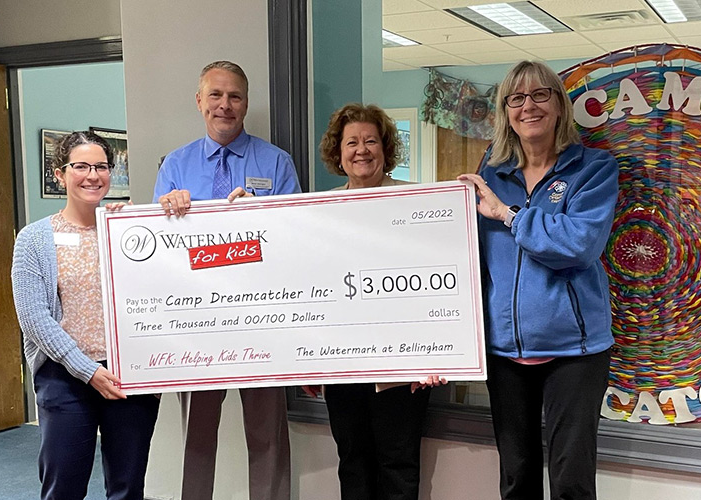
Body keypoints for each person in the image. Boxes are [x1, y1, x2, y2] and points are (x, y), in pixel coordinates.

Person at [458, 61, 619, 500]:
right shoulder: (492, 172)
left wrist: (509, 216)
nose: (528, 106)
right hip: (506, 350)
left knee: (570, 480)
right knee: (516, 478)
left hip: (574, 351)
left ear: (559, 105)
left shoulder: (594, 169)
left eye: (540, 95)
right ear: (506, 111)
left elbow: (580, 244)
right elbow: (470, 253)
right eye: (516, 98)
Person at [153, 60, 301, 500]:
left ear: (246, 103)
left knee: (268, 438)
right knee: (195, 439)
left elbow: (298, 241)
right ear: (200, 102)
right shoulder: (175, 167)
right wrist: (169, 211)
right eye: (215, 95)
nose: (225, 105)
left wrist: (260, 215)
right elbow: (158, 253)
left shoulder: (276, 163)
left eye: (234, 96)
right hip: (197, 326)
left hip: (262, 321)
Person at [11, 131, 159, 500]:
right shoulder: (33, 240)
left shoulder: (128, 229)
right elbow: (34, 319)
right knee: (64, 486)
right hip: (64, 377)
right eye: (80, 166)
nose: (92, 175)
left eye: (101, 166)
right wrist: (87, 370)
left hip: (127, 375)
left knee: (127, 487)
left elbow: (160, 289)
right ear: (60, 175)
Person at [309, 103, 445, 500]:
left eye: (371, 141)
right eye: (351, 142)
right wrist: (310, 361)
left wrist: (437, 352)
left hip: (402, 366)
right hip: (343, 364)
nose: (361, 150)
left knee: (398, 464)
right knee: (352, 461)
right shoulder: (320, 211)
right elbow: (310, 286)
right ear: (338, 152)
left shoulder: (419, 203)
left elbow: (439, 282)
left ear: (386, 149)